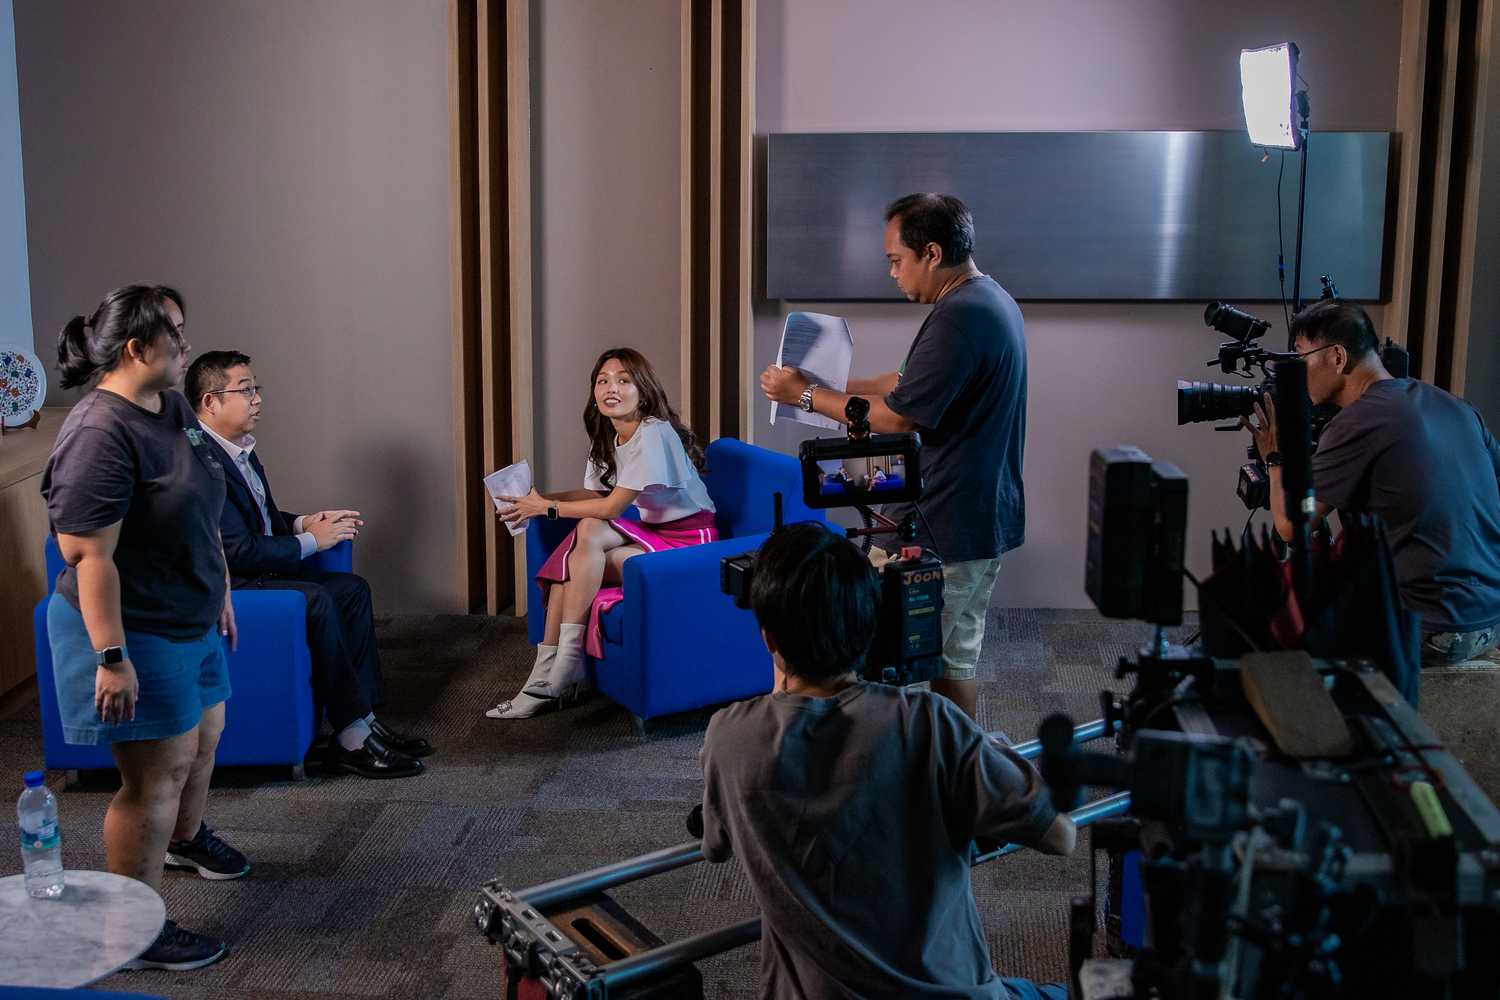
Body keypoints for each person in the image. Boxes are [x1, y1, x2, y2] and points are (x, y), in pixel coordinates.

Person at [699, 522, 1076, 999]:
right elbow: (1060, 835)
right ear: (870, 624)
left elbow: (715, 847)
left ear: (769, 639)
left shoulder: (729, 737)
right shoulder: (930, 722)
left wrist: (780, 690)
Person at [761, 192, 1027, 719]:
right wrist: (824, 381)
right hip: (978, 516)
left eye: (894, 260)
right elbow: (902, 384)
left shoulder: (960, 318)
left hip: (944, 525)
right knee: (954, 661)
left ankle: (894, 779)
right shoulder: (984, 300)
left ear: (930, 252)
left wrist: (806, 398)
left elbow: (898, 416)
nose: (891, 273)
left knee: (888, 667)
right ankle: (956, 774)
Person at [42, 285, 242, 971]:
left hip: (191, 612)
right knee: (156, 775)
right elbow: (88, 556)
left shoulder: (173, 404)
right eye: (178, 333)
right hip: (135, 628)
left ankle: (182, 842)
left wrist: (219, 586)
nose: (188, 345)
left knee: (206, 736)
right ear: (138, 347)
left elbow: (203, 497)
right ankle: (130, 932)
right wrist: (112, 655)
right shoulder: (100, 432)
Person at [185, 351, 430, 778]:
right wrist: (309, 541)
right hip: (231, 584)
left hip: (255, 570)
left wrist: (301, 522)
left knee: (351, 590)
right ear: (210, 402)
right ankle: (353, 740)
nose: (257, 398)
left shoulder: (236, 450)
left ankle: (364, 721)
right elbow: (236, 550)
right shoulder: (200, 463)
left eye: (255, 387)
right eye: (245, 390)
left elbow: (258, 518)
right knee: (315, 599)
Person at [1246, 299, 1500, 666]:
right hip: (1490, 614)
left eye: (1301, 356)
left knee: (1276, 639)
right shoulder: (1452, 405)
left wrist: (1274, 459)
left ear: (1336, 357)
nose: (1297, 372)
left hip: (1433, 627)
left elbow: (1291, 526)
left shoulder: (1358, 422)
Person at [488, 347, 717, 719]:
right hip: (651, 532)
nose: (612, 388)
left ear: (643, 391)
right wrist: (539, 498)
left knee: (579, 554)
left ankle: (557, 670)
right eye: (603, 381)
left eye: (624, 380)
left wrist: (544, 508)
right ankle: (550, 669)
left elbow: (612, 507)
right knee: (586, 536)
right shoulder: (607, 433)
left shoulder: (654, 433)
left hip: (691, 544)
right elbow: (597, 495)